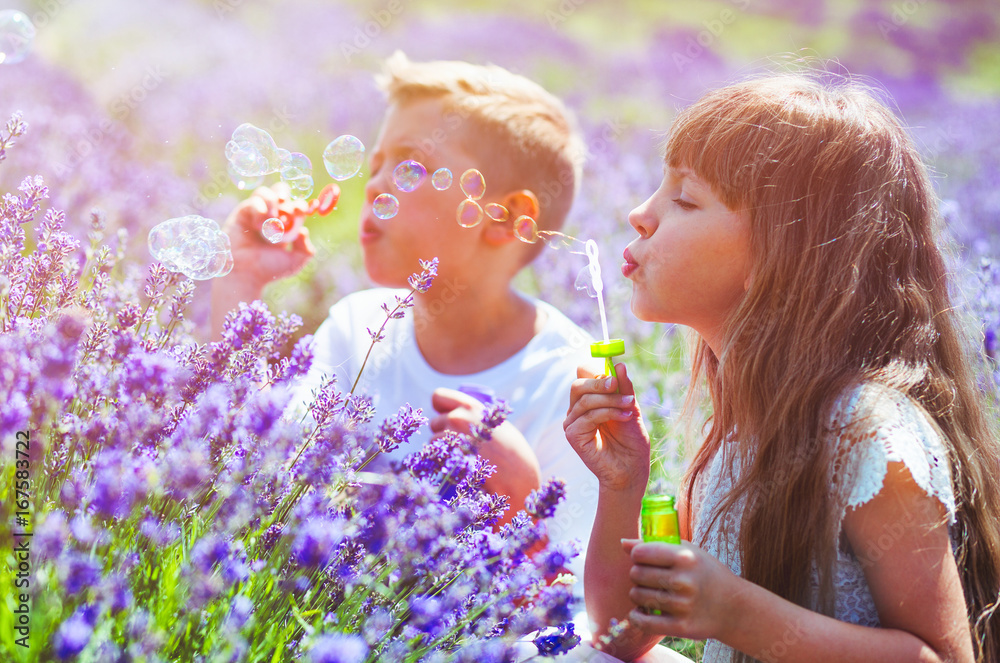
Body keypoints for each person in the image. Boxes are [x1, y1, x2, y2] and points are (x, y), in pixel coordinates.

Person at [564, 73, 1000, 663]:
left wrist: (739, 614)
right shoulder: (740, 430)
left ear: (778, 257)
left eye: (685, 199)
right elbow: (620, 638)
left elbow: (945, 658)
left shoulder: (863, 431)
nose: (640, 214)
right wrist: (622, 484)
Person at [212, 52, 601, 584]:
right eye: (375, 166)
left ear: (505, 217)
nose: (373, 187)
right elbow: (259, 465)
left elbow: (577, 614)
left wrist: (522, 503)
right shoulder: (358, 327)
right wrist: (240, 282)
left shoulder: (568, 381)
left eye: (410, 166)